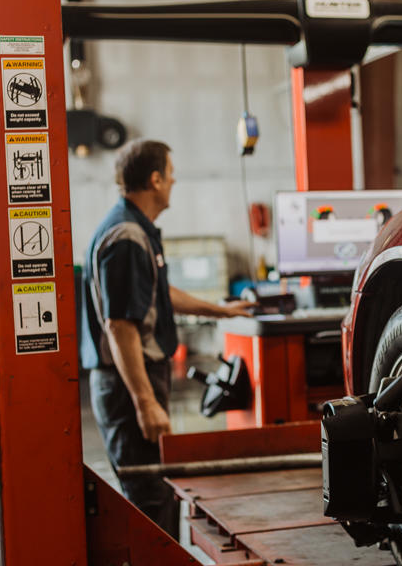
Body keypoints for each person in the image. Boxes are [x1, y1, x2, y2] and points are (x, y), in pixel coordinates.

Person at [79, 139, 253, 539]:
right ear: (155, 179)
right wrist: (144, 403)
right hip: (127, 386)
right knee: (149, 499)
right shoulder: (126, 236)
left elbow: (160, 292)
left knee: (159, 493)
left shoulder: (136, 229)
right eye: (170, 173)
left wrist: (221, 310)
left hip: (135, 379)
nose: (174, 181)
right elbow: (120, 326)